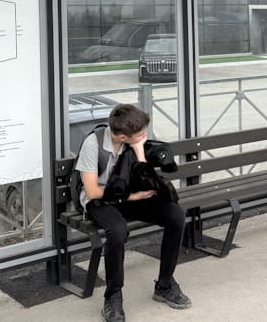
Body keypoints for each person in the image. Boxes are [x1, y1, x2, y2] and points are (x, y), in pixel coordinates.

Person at [78, 104, 191, 322]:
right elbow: (92, 192)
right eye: (140, 134)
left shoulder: (133, 141)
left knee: (175, 215)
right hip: (100, 200)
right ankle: (113, 296)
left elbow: (144, 178)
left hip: (127, 195)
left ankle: (165, 285)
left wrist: (139, 151)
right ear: (122, 136)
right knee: (118, 231)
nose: (145, 136)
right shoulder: (93, 144)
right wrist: (133, 197)